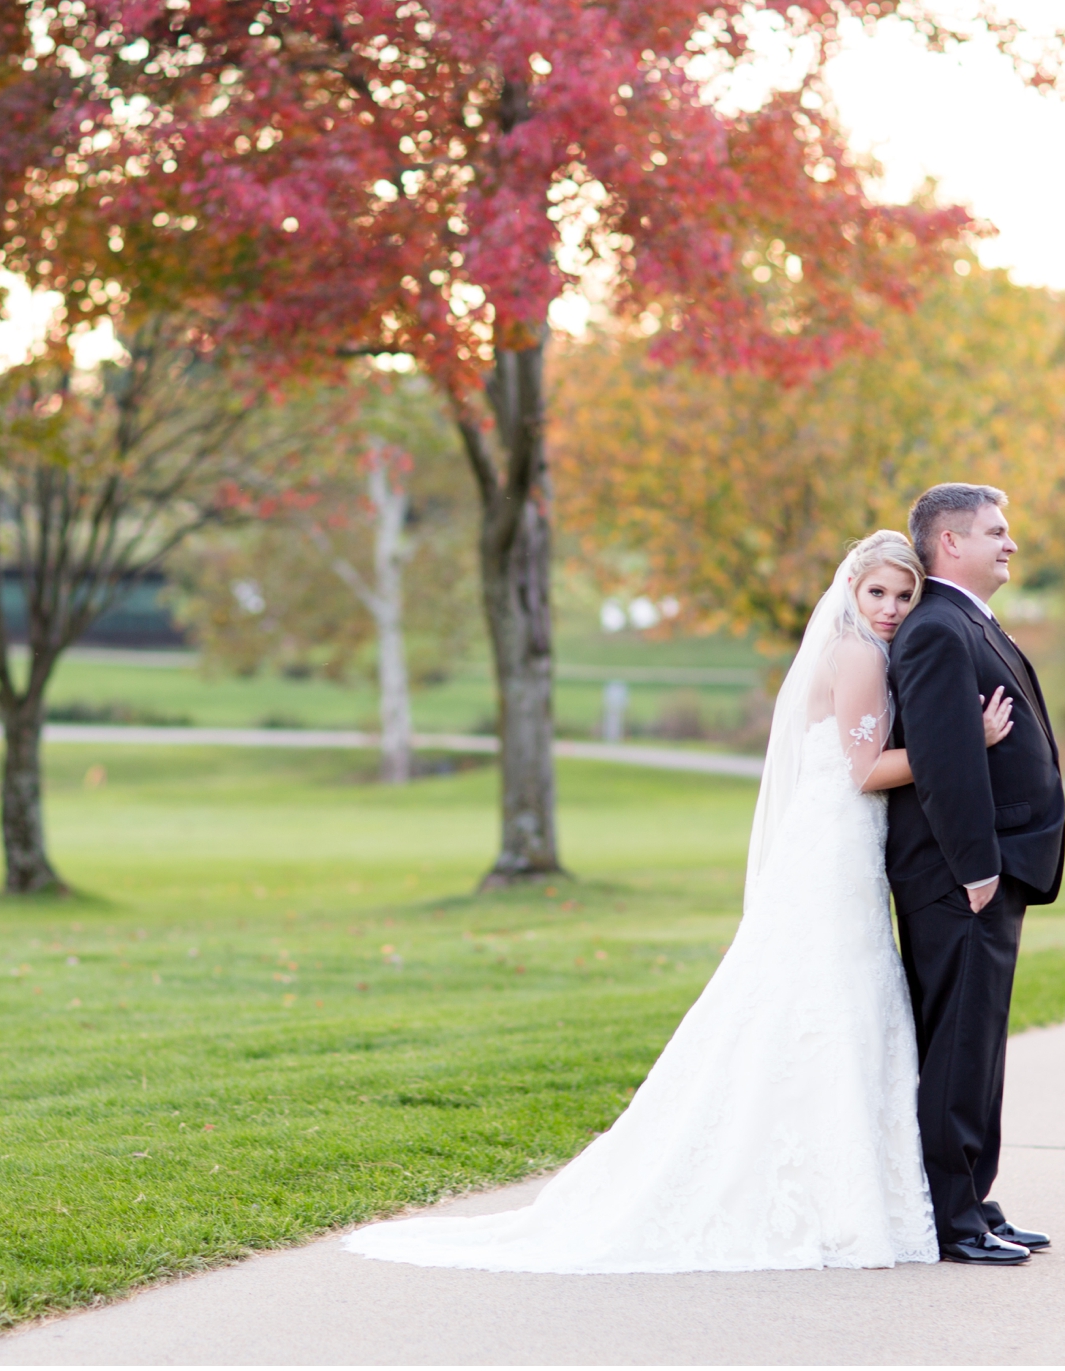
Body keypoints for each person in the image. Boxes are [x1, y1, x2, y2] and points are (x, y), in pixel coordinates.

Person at [341, 530, 1012, 1273]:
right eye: (876, 592)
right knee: (832, 998)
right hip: (834, 848)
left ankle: (846, 1182)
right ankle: (838, 1191)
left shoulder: (869, 651)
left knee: (831, 1001)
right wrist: (965, 742)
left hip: (842, 849)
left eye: (903, 594)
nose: (889, 608)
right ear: (850, 590)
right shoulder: (855, 654)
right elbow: (863, 768)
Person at [886, 483, 1065, 1266]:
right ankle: (951, 1221)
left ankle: (976, 1201)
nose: (1011, 542)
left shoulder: (968, 622)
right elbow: (944, 766)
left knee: (979, 1045)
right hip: (962, 876)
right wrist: (976, 865)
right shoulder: (934, 630)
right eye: (997, 530)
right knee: (958, 1046)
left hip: (991, 871)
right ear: (950, 543)